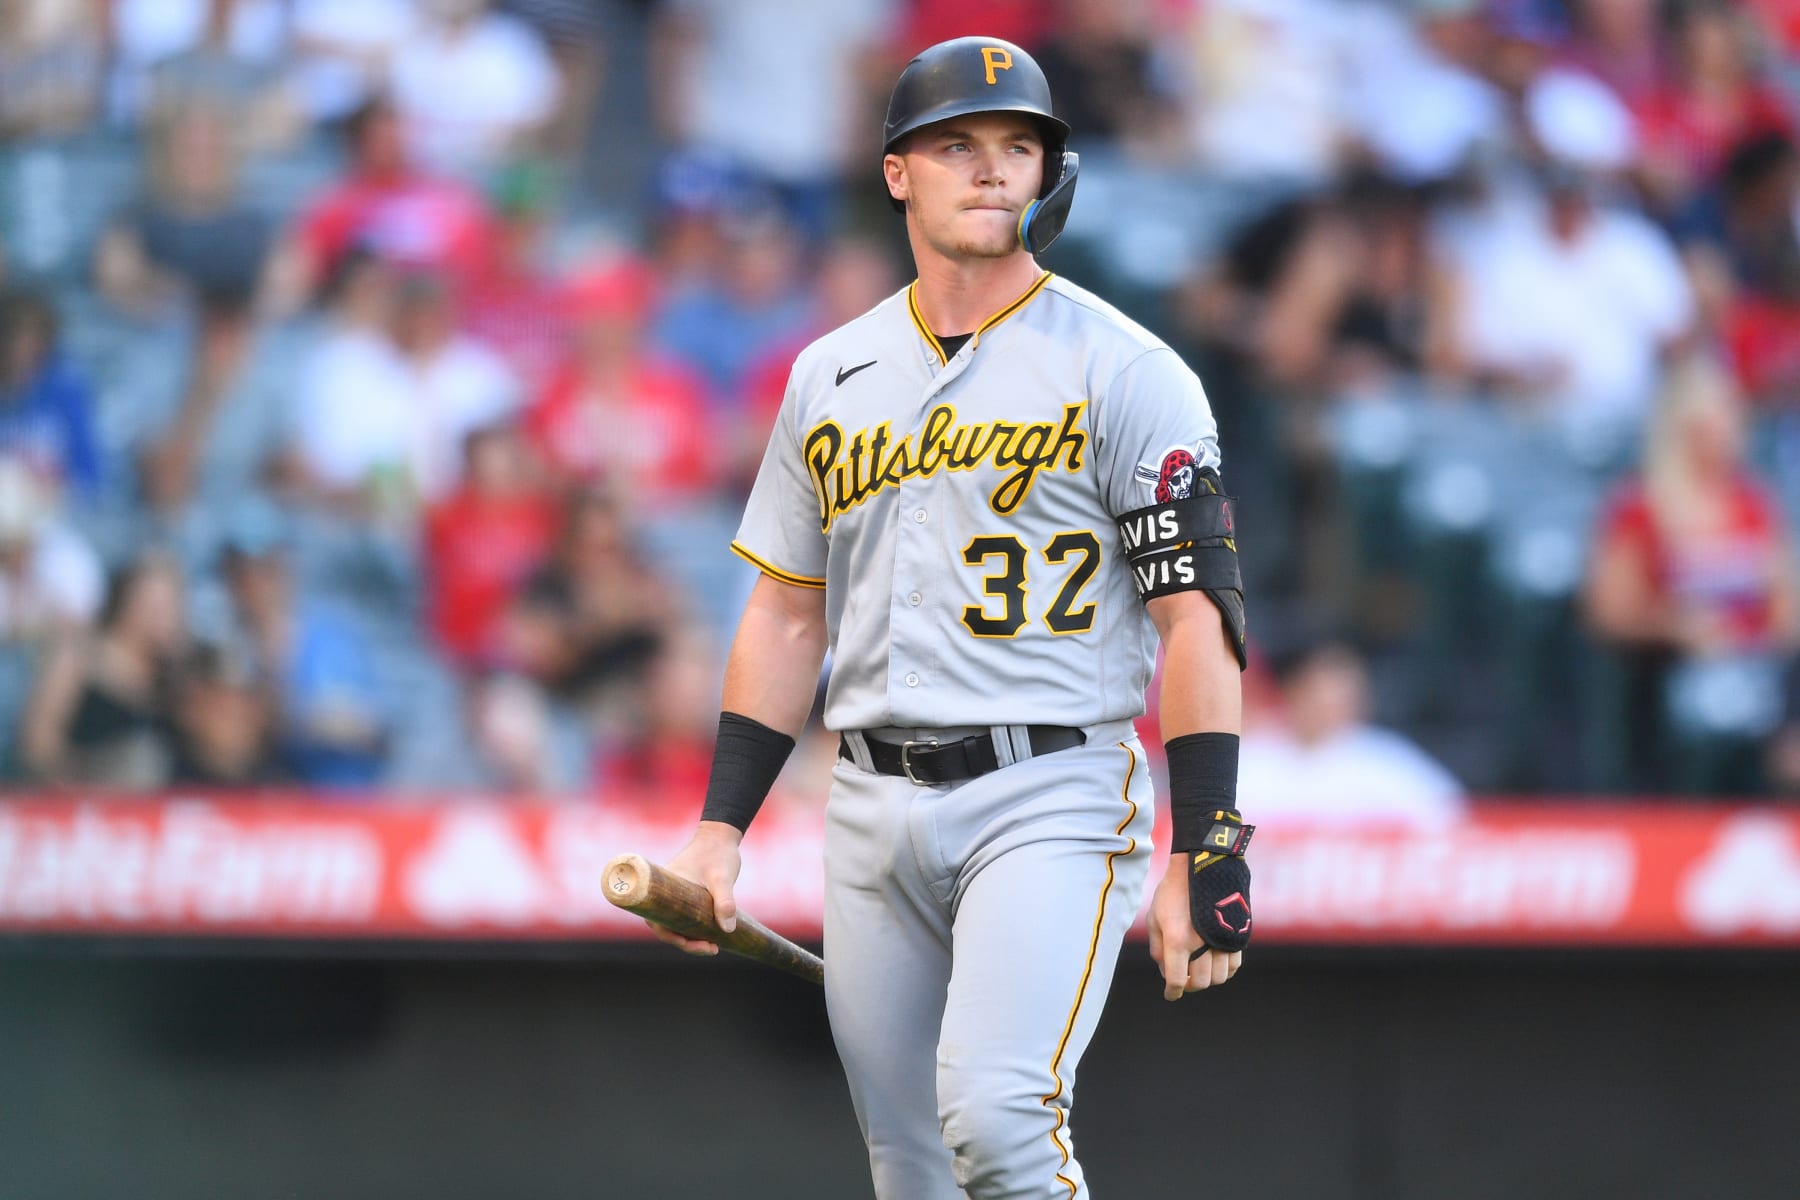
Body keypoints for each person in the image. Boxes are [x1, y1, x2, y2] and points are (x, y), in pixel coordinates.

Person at [650, 39, 1252, 1199]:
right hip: (870, 802)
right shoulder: (830, 372)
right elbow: (785, 614)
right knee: (912, 1168)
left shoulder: (1130, 371)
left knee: (999, 1122)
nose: (991, 171)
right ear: (897, 174)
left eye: (1018, 147)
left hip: (1052, 786)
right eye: (958, 146)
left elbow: (1197, 621)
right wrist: (721, 826)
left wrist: (1211, 839)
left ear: (1047, 175)